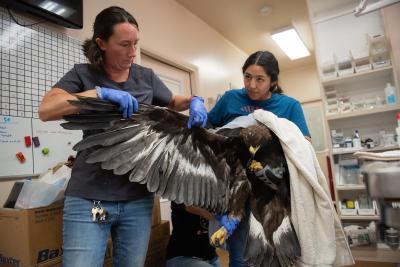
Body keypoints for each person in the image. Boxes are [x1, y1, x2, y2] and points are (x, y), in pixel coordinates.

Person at [38, 6, 207, 267]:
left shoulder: (145, 77)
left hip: (137, 200)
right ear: (101, 43)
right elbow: (47, 109)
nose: (132, 53)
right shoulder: (84, 74)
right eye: (124, 45)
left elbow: (173, 100)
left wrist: (195, 100)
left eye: (136, 44)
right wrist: (100, 94)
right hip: (91, 199)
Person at [208, 50, 311, 267]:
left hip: (275, 193)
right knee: (241, 258)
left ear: (273, 82)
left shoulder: (289, 106)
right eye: (247, 76)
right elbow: (211, 131)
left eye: (260, 79)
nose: (251, 85)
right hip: (238, 190)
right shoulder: (229, 100)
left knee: (279, 255)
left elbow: (304, 146)